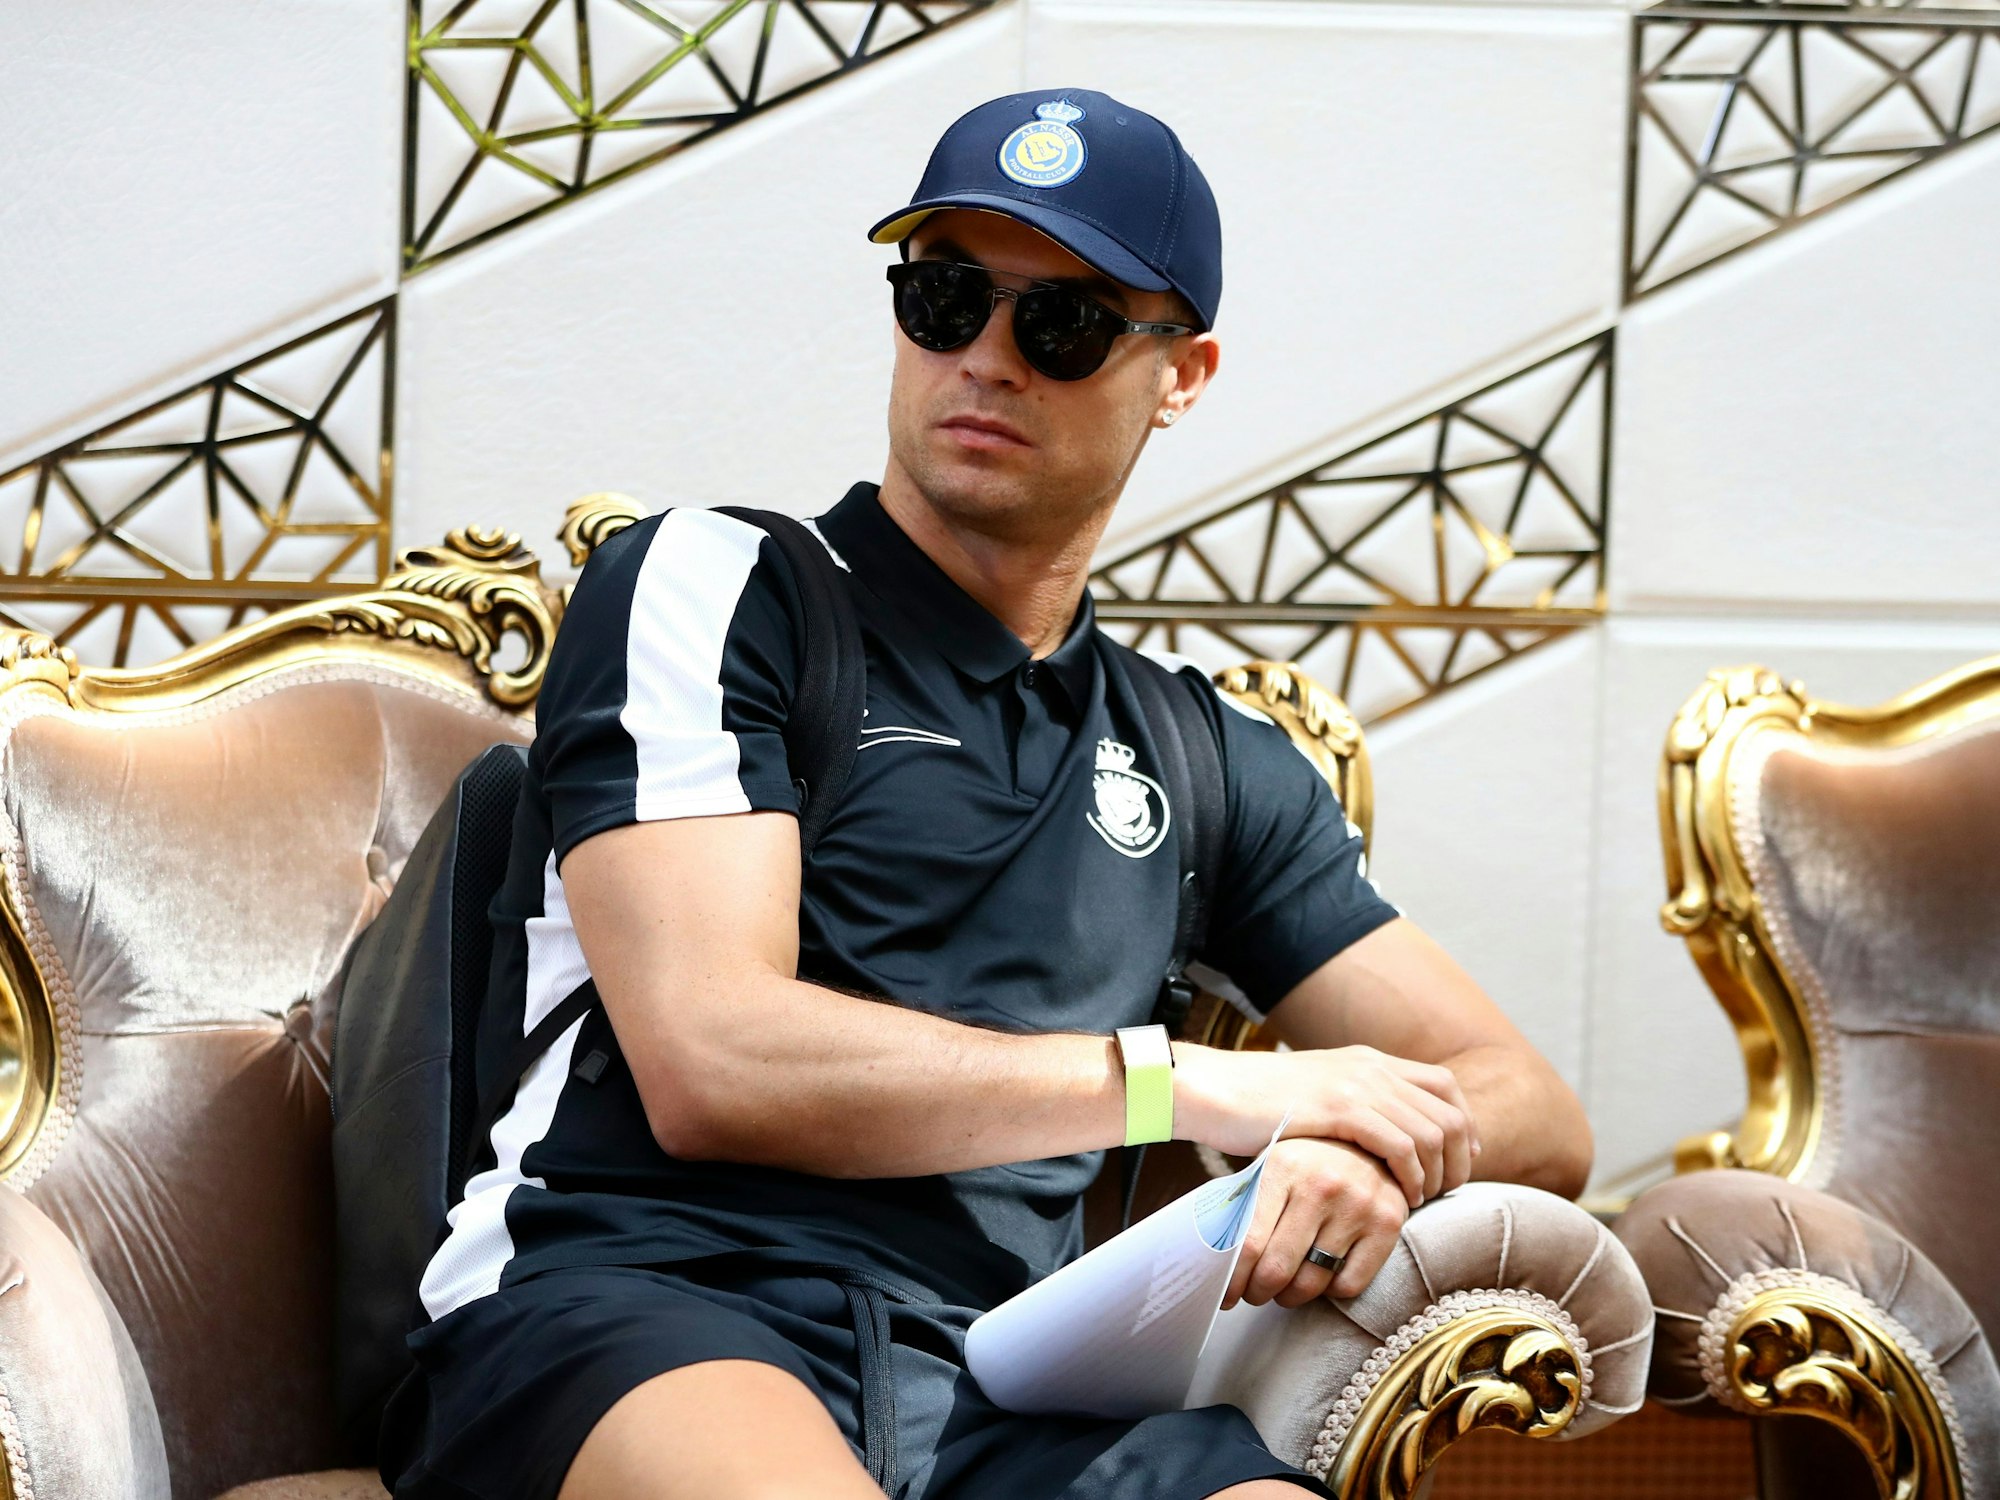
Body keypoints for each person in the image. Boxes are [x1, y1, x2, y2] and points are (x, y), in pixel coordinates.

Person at [380, 88, 1592, 1500]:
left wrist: (1365, 1151)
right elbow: (718, 1061)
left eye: (1061, 322)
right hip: (641, 1311)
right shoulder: (718, 590)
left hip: (1001, 1383)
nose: (987, 361)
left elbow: (1534, 1112)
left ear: (1183, 373)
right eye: (946, 297)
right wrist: (1198, 1085)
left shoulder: (1203, 758)